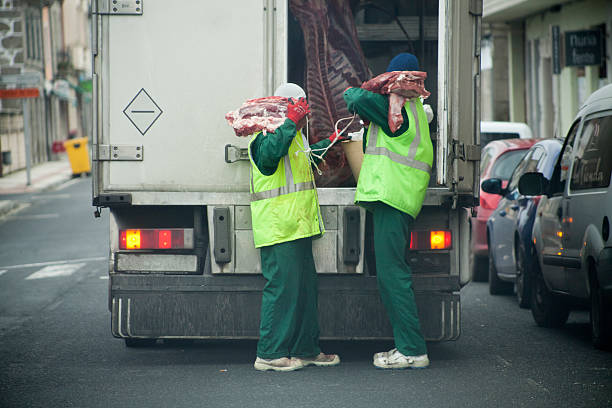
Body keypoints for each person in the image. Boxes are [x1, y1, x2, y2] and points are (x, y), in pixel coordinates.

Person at [343, 53, 433, 369]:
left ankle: (411, 350)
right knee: (391, 275)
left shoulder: (397, 108)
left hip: (392, 198)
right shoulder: (413, 109)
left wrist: (377, 85)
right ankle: (407, 347)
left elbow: (351, 95)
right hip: (398, 199)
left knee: (393, 276)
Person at [249, 83, 346, 372]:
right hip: (279, 228)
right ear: (287, 106)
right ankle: (269, 353)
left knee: (305, 290)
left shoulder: (294, 137)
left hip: (298, 226)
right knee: (282, 289)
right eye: (300, 107)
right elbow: (268, 158)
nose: (305, 113)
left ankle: (306, 349)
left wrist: (328, 142)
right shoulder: (266, 133)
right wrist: (290, 122)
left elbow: (301, 162)